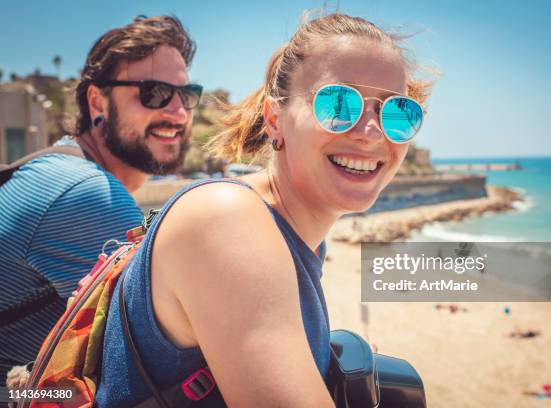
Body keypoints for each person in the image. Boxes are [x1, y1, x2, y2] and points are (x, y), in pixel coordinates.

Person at [96, 12, 430, 407]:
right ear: (275, 121)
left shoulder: (297, 240)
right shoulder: (227, 218)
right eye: (339, 103)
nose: (371, 131)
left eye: (397, 112)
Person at [0, 15, 200, 384]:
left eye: (186, 96)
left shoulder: (55, 167)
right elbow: (163, 367)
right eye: (154, 92)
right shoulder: (86, 194)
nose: (178, 112)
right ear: (98, 102)